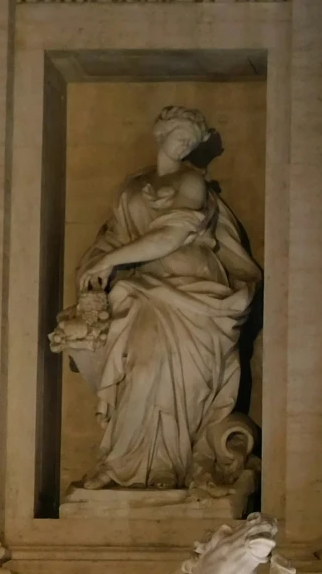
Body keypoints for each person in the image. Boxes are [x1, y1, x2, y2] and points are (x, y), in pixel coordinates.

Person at [55, 105, 260, 491]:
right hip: (144, 294)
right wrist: (94, 268)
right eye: (180, 135)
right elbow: (113, 238)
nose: (184, 145)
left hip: (195, 294)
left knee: (174, 380)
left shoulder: (192, 183)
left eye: (191, 141)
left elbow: (172, 235)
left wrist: (113, 259)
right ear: (161, 132)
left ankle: (171, 465)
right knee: (142, 372)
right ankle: (119, 463)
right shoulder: (131, 188)